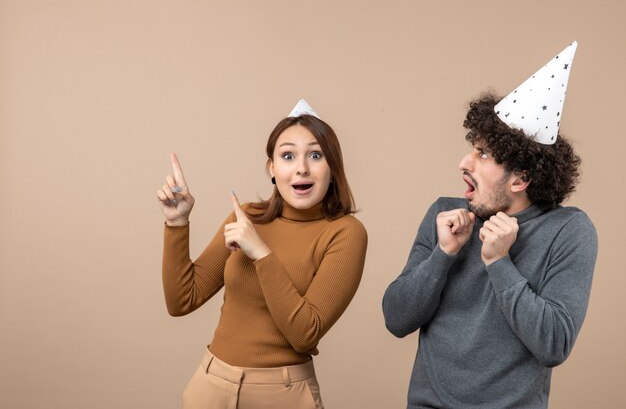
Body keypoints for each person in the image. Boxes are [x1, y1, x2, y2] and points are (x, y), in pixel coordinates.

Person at [382, 42, 598, 409]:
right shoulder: (445, 216)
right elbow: (396, 319)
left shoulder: (568, 231)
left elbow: (554, 345)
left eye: (482, 154)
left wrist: (500, 263)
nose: (464, 163)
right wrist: (444, 254)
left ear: (520, 179)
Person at [156, 100, 367, 409]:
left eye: (316, 155)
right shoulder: (246, 217)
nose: (301, 168)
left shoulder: (345, 233)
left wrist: (262, 254)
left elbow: (305, 335)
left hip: (283, 394)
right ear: (272, 167)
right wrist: (177, 223)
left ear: (332, 168)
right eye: (288, 155)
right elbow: (182, 300)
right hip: (210, 387)